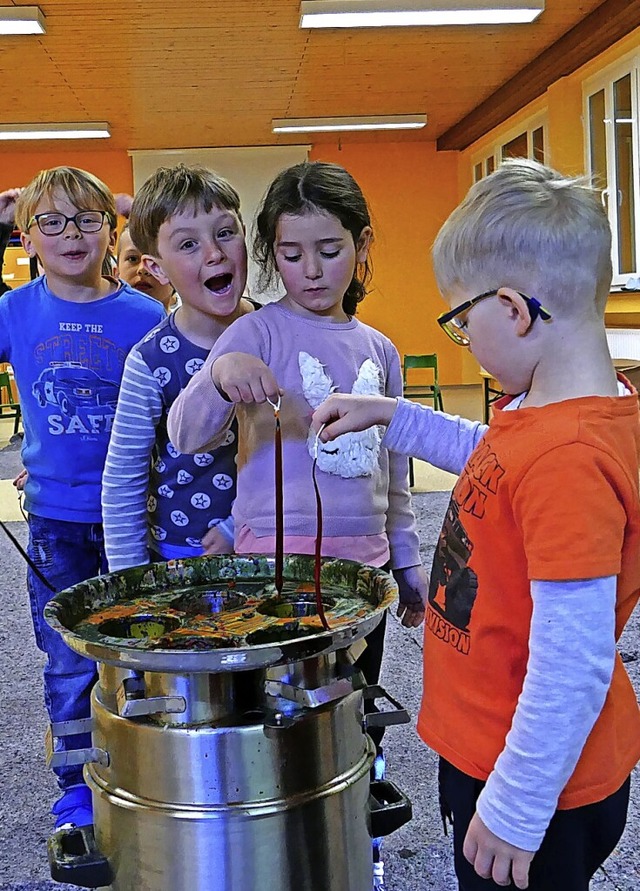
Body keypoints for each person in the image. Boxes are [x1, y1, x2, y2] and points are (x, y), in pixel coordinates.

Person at [311, 159, 640, 891]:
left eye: (462, 321)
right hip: (492, 747)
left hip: (536, 781)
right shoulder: (545, 411)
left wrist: (519, 806)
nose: (465, 337)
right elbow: (489, 455)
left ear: (515, 311)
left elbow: (575, 660)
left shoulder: (570, 459)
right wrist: (391, 415)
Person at [167, 162, 429, 885]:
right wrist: (218, 378)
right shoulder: (252, 331)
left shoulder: (381, 350)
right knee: (275, 726)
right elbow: (185, 434)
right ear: (272, 252)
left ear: (362, 244)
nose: (311, 270)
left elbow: (394, 472)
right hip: (271, 581)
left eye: (330, 249)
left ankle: (353, 843)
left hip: (364, 581)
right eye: (290, 253)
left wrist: (406, 563)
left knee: (357, 714)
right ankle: (277, 854)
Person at [0, 167, 165, 831]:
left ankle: (147, 770)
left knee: (144, 649)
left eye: (88, 219)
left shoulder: (146, 316)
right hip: (55, 524)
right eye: (52, 221)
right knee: (68, 660)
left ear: (112, 229)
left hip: (135, 518)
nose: (71, 234)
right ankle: (77, 783)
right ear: (26, 236)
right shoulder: (16, 310)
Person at [102, 163, 258, 571]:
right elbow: (123, 480)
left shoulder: (277, 333)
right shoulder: (150, 360)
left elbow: (298, 450)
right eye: (188, 245)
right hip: (183, 551)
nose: (214, 253)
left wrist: (236, 523)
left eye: (225, 233)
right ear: (156, 268)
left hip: (271, 540)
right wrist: (129, 582)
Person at [116, 222, 180, 312]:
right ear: (116, 271)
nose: (143, 269)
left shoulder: (194, 325)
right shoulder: (102, 323)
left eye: (154, 261)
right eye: (133, 259)